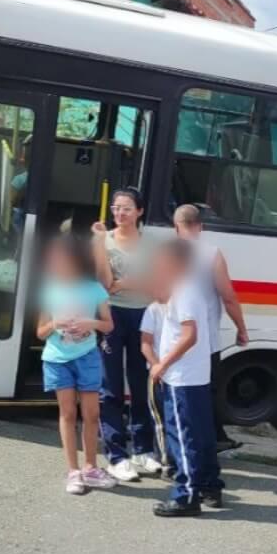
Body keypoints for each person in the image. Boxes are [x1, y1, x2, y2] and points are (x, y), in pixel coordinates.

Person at [141, 239, 223, 517]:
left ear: (176, 263)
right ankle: (210, 485)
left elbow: (189, 335)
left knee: (182, 436)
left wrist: (162, 364)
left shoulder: (184, 291)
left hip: (181, 377)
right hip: (194, 375)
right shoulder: (186, 289)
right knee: (201, 434)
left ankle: (186, 495)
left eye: (163, 261)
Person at [34, 235, 118, 496]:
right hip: (57, 358)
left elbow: (108, 325)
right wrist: (55, 324)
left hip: (88, 356)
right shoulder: (49, 290)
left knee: (92, 414)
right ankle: (73, 471)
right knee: (68, 414)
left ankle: (91, 467)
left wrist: (90, 324)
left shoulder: (94, 289)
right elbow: (40, 332)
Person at [92, 188, 165, 483]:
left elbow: (157, 286)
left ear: (140, 212)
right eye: (116, 208)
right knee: (109, 386)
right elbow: (104, 283)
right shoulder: (103, 241)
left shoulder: (152, 245)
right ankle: (116, 455)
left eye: (126, 208)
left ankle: (144, 449)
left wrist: (124, 284)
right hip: (111, 315)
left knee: (140, 382)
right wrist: (98, 244)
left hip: (143, 315)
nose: (119, 214)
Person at [171, 204, 249, 451]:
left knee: (174, 391)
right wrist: (241, 328)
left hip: (173, 338)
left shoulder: (165, 253)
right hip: (204, 339)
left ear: (176, 227)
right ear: (200, 226)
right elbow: (228, 297)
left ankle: (177, 444)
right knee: (206, 390)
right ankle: (208, 442)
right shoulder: (211, 253)